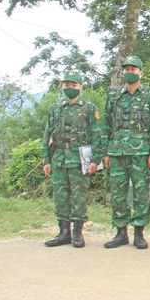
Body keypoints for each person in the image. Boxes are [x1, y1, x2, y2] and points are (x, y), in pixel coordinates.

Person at [102, 55, 150, 249]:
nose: (129, 72)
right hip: (117, 152)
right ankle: (120, 232)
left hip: (141, 153)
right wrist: (106, 152)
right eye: (126, 69)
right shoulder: (114, 95)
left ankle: (139, 233)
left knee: (141, 193)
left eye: (133, 69)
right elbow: (106, 125)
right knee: (118, 194)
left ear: (141, 73)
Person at [41, 71, 103, 248]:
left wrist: (95, 160)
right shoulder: (56, 108)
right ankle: (63, 232)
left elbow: (96, 135)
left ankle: (77, 232)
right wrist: (46, 159)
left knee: (78, 196)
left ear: (80, 87)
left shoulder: (89, 108)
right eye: (67, 85)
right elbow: (47, 135)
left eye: (74, 85)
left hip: (79, 159)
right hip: (59, 159)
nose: (70, 88)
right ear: (62, 86)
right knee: (60, 196)